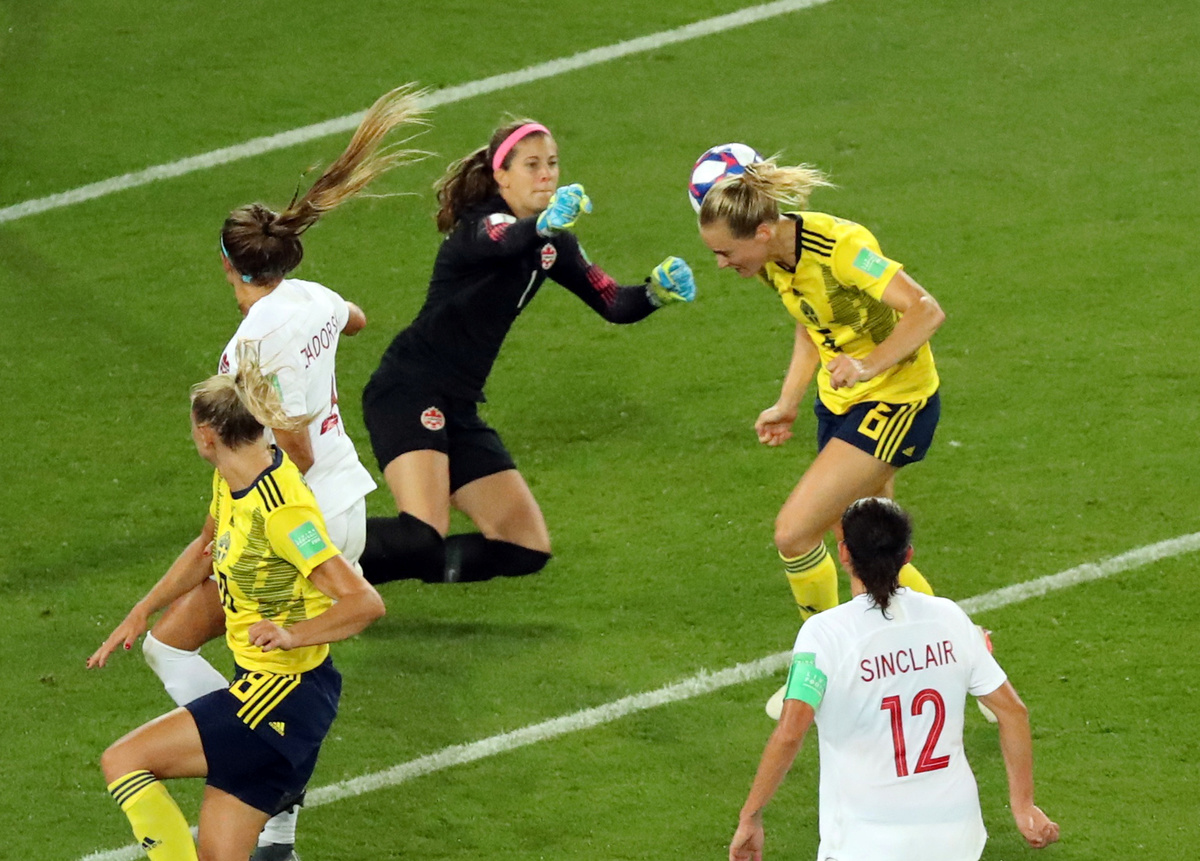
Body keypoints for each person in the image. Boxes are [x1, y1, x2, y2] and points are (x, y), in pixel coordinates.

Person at [137, 84, 425, 861]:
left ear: (228, 265)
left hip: (294, 519)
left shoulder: (243, 353)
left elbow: (287, 451)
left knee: (185, 651)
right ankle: (279, 831)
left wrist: (242, 514)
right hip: (348, 506)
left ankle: (257, 776)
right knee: (280, 672)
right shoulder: (312, 297)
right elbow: (354, 320)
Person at [360, 119, 696, 585]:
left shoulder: (554, 243)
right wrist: (542, 225)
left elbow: (613, 302)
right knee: (422, 534)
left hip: (459, 405)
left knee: (524, 547)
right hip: (409, 390)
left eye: (552, 163)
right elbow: (504, 240)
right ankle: (300, 557)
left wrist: (655, 293)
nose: (546, 174)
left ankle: (353, 576)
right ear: (501, 176)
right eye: (532, 165)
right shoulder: (481, 225)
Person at [88, 362, 387, 861]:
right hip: (270, 692)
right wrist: (144, 609)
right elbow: (207, 548)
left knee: (124, 760)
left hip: (280, 698)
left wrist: (293, 635)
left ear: (207, 434)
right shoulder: (232, 478)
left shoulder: (283, 513)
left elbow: (364, 602)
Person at [729, 498, 1059, 861]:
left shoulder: (823, 634)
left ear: (844, 553)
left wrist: (750, 816)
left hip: (866, 843)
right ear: (908, 555)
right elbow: (1013, 711)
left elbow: (791, 733)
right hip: (955, 837)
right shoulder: (949, 618)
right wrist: (1023, 806)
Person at [697, 155, 944, 625]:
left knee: (793, 533)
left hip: (896, 402)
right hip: (840, 404)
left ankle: (825, 650)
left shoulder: (841, 248)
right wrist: (788, 402)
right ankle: (939, 643)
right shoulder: (773, 260)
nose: (721, 264)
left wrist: (867, 365)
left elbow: (926, 310)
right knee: (867, 551)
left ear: (762, 232)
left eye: (725, 252)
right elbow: (811, 322)